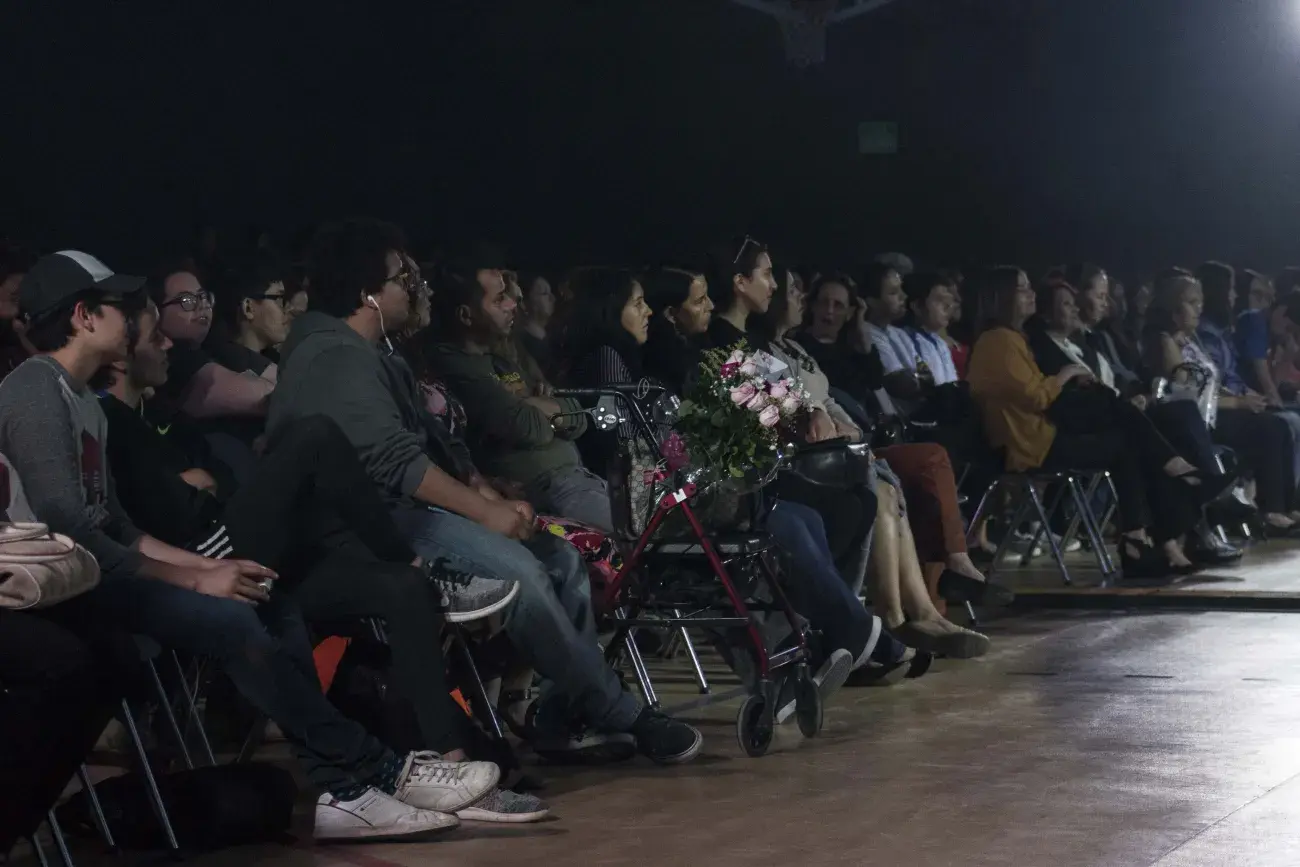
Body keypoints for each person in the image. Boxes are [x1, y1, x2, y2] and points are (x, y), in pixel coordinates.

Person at [0, 249, 505, 841]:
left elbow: (117, 527)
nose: (136, 318)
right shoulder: (35, 389)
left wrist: (211, 566)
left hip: (103, 572)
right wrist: (196, 578)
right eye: (119, 305)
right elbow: (70, 534)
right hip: (67, 592)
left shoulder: (84, 400)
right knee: (231, 620)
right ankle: (378, 772)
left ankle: (343, 795)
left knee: (267, 598)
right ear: (84, 316)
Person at [266, 218, 702, 765]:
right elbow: (393, 461)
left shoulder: (374, 352)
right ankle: (623, 712)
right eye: (402, 279)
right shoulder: (334, 356)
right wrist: (483, 512)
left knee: (561, 560)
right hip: (367, 528)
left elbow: (432, 441)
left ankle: (562, 714)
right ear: (365, 291)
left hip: (407, 509)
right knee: (521, 573)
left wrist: (483, 491)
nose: (414, 289)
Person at [566, 266, 915, 697]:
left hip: (708, 482)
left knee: (824, 509)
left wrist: (809, 412)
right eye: (698, 300)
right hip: (664, 498)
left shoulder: (730, 346)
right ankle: (839, 637)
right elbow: (636, 445)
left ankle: (831, 636)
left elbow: (791, 393)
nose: (649, 312)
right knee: (792, 516)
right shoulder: (672, 351)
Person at [753, 265, 1009, 617]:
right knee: (898, 484)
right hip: (823, 457)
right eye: (795, 292)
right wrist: (840, 427)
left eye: (839, 305)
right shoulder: (766, 353)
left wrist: (849, 427)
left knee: (931, 463)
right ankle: (901, 615)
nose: (805, 300)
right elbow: (805, 413)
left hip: (856, 440)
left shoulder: (800, 348)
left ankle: (933, 603)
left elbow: (834, 399)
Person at [966, 266, 1205, 580]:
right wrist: (1066, 375)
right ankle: (1158, 509)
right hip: (1030, 445)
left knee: (1124, 431)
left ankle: (1142, 535)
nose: (1031, 294)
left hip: (1039, 436)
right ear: (1002, 297)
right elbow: (1035, 396)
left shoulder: (1012, 339)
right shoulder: (997, 341)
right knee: (1124, 434)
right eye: (1022, 288)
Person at [428, 263, 613, 532]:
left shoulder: (503, 359)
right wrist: (542, 409)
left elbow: (579, 417)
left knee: (662, 524)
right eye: (499, 299)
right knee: (647, 532)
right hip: (551, 492)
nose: (512, 304)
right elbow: (529, 428)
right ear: (466, 315)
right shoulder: (455, 365)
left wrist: (528, 403)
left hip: (580, 479)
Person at [1145, 268, 1300, 534]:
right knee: (1271, 428)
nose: (1199, 309)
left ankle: (1288, 506)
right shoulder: (1165, 342)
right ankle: (1271, 512)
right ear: (1173, 309)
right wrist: (1238, 404)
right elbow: (1188, 393)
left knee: (1280, 424)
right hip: (1196, 422)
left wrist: (1241, 397)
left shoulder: (1190, 339)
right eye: (1192, 303)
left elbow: (1212, 382)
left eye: (1200, 303)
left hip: (1215, 410)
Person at [206, 250, 292, 380]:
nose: (288, 308)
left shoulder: (281, 366)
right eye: (279, 299)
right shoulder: (219, 379)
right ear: (248, 308)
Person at [517, 272, 557, 380]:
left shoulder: (555, 335)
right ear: (525, 302)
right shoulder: (519, 342)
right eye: (545, 293)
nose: (552, 298)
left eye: (551, 292)